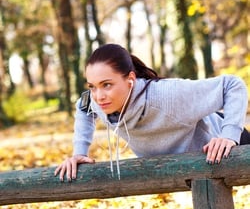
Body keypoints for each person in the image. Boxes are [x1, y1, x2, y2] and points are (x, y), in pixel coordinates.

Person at [54, 43, 249, 181]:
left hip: (223, 142)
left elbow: (232, 85)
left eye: (107, 84)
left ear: (130, 80)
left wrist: (229, 135)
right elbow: (83, 105)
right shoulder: (97, 100)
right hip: (186, 166)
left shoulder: (166, 95)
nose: (99, 95)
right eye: (93, 86)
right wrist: (79, 152)